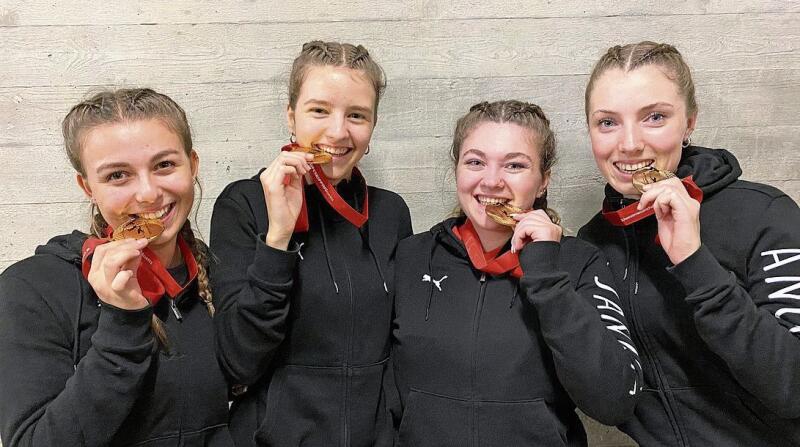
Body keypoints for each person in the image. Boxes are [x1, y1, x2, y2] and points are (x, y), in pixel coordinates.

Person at [579, 41, 800, 445]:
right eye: (607, 122)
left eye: (655, 117)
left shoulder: (766, 214)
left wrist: (694, 262)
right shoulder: (594, 243)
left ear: (690, 122)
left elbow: (794, 387)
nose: (629, 143)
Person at [390, 100, 641, 446]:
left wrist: (547, 277)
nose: (491, 181)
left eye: (515, 165)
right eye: (475, 162)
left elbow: (615, 401)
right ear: (458, 170)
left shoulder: (578, 261)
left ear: (542, 182)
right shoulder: (411, 256)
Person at [0, 88, 233, 446]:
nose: (147, 193)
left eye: (164, 165)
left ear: (193, 164)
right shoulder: (32, 289)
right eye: (117, 176)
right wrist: (122, 324)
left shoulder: (215, 272)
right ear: (87, 186)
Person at [210, 41, 412, 446]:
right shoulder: (244, 204)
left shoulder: (391, 212)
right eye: (319, 110)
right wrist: (278, 238)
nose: (338, 132)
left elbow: (402, 341)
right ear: (291, 115)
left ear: (372, 126)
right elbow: (236, 363)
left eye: (356, 115)